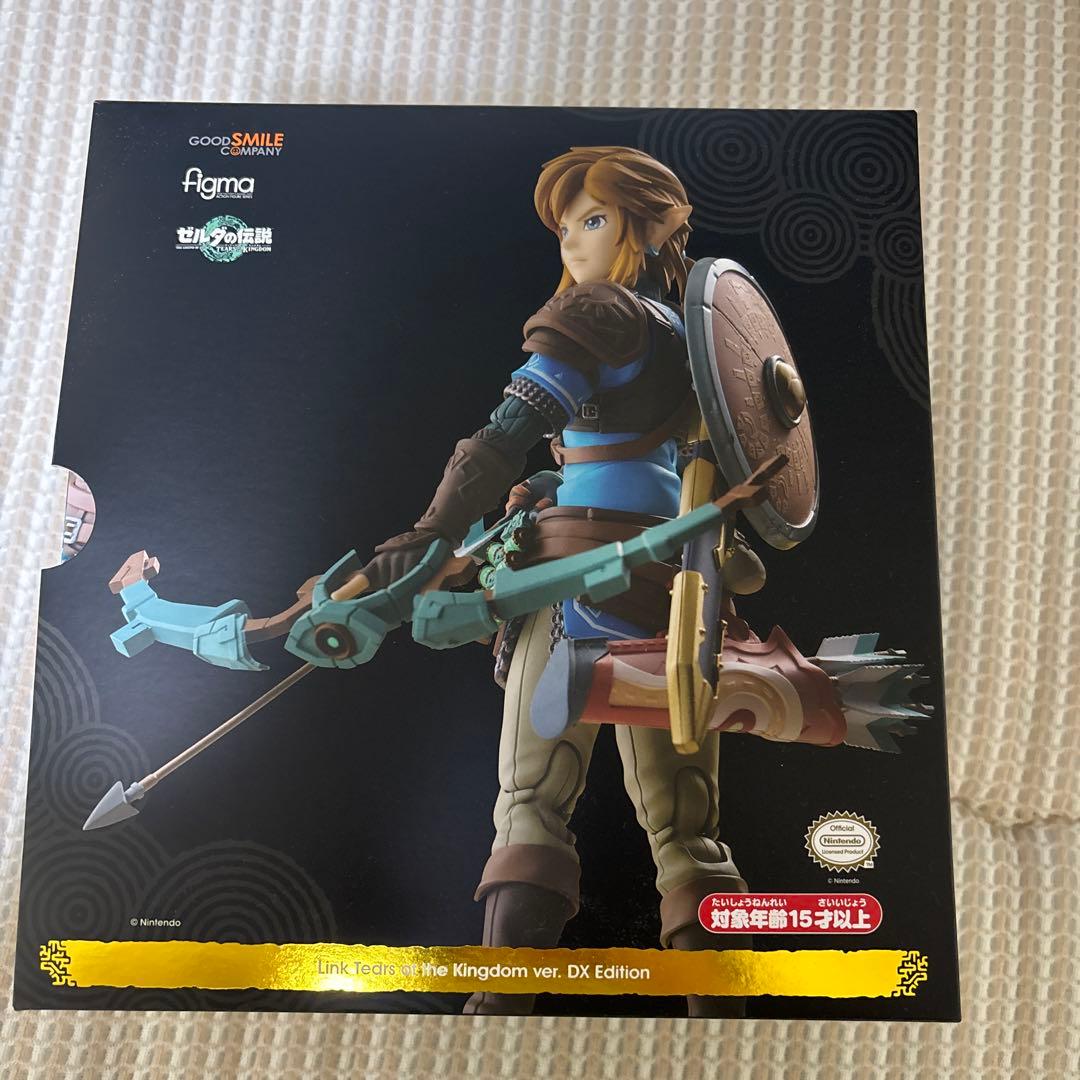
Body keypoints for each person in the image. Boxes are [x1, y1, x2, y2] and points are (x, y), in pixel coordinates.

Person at [358, 147, 760, 1016]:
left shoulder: (598, 310)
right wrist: (547, 484)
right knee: (687, 827)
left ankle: (501, 1008)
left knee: (533, 801)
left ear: (644, 228)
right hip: (676, 588)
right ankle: (725, 1021)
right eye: (569, 226)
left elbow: (503, 433)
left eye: (594, 220)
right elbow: (643, 459)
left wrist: (428, 537)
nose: (574, 243)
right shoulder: (693, 336)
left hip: (580, 582)